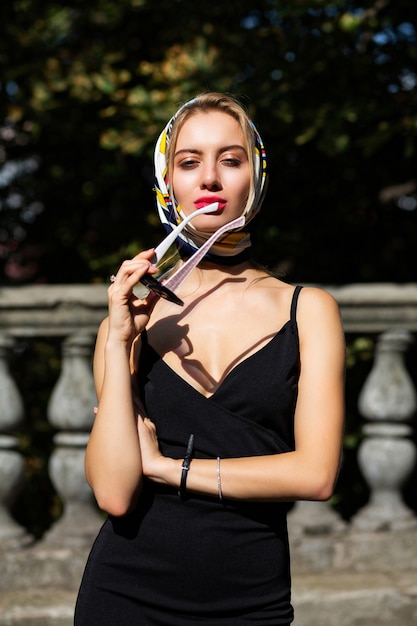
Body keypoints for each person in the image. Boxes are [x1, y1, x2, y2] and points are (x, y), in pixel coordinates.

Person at [74, 92, 345, 625]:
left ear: (256, 175)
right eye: (190, 162)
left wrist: (167, 468)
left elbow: (315, 475)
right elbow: (113, 491)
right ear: (167, 183)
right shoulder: (129, 324)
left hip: (251, 599)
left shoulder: (308, 310)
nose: (210, 179)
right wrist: (116, 339)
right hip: (124, 596)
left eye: (231, 159)